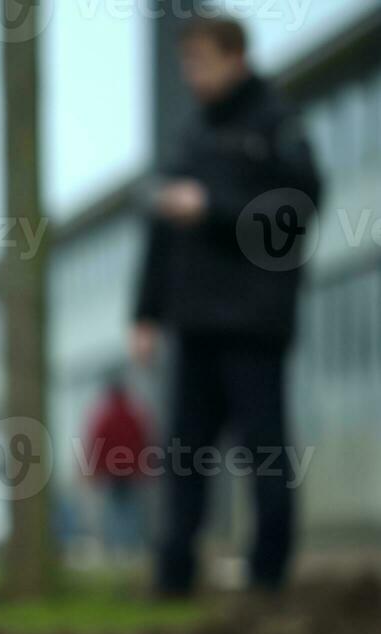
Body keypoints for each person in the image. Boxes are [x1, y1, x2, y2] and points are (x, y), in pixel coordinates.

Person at [131, 15, 321, 596]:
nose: (192, 74)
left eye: (201, 61)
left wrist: (212, 206)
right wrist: (146, 313)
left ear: (236, 57)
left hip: (254, 323)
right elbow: (162, 232)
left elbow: (295, 215)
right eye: (186, 62)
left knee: (264, 453)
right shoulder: (189, 135)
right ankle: (174, 578)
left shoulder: (278, 125)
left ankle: (269, 576)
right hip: (194, 323)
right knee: (184, 455)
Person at [82, 375, 153, 560]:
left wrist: (92, 470)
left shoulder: (104, 417)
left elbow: (96, 445)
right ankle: (130, 549)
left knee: (112, 513)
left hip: (110, 474)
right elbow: (142, 443)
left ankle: (114, 550)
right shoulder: (133, 415)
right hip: (131, 474)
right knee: (131, 512)